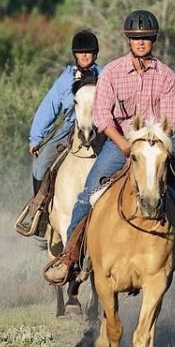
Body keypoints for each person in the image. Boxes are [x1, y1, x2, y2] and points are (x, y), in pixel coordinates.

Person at [44, 10, 175, 288]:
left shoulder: (167, 76)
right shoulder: (111, 72)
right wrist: (126, 146)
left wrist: (154, 146)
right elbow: (102, 118)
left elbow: (171, 121)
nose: (141, 43)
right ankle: (70, 259)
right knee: (87, 194)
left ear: (154, 40)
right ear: (128, 41)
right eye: (136, 38)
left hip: (157, 147)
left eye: (146, 38)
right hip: (119, 145)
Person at [15, 30, 102, 236]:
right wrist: (36, 137)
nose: (84, 57)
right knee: (41, 164)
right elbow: (50, 105)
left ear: (95, 54)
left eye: (88, 53)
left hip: (99, 127)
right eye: (81, 53)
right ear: (75, 55)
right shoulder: (65, 79)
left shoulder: (105, 75)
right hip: (68, 128)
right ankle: (41, 212)